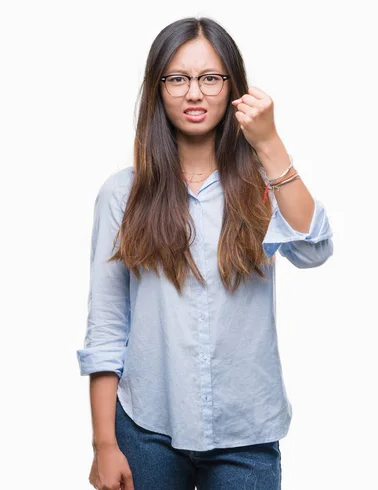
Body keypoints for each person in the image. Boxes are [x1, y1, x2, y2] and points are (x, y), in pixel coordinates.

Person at [76, 16, 334, 490]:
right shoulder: (122, 193)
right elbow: (107, 327)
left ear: (233, 86)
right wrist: (104, 444)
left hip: (247, 434)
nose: (194, 93)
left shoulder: (263, 183)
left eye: (210, 78)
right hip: (147, 429)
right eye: (177, 78)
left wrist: (270, 143)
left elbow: (314, 247)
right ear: (158, 89)